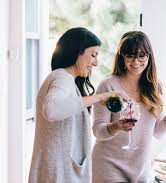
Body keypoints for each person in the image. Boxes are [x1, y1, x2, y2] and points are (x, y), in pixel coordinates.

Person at [28, 27, 123, 183]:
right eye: (93, 55)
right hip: (58, 174)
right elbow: (51, 110)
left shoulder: (66, 79)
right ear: (77, 51)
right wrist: (98, 98)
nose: (96, 62)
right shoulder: (62, 77)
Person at [92, 31, 166, 183]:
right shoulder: (108, 85)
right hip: (108, 166)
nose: (136, 61)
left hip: (140, 169)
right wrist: (116, 126)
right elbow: (98, 131)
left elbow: (157, 132)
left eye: (141, 55)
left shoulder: (155, 87)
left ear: (149, 56)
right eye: (130, 55)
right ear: (122, 57)